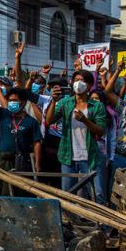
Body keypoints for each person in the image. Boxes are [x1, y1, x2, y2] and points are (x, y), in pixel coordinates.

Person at [45, 69, 107, 198]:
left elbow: (101, 131)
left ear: (89, 85)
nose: (79, 83)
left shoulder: (97, 106)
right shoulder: (65, 103)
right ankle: (70, 218)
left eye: (83, 81)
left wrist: (85, 120)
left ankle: (95, 218)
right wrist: (53, 100)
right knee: (67, 194)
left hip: (90, 157)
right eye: (76, 80)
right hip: (68, 157)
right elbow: (49, 121)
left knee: (96, 193)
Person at [0, 78, 41, 177]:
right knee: (2, 189)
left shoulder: (31, 121)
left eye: (15, 100)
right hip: (4, 161)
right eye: (10, 100)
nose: (11, 103)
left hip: (22, 161)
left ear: (23, 102)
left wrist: (37, 162)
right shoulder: (3, 114)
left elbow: (37, 142)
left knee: (20, 190)